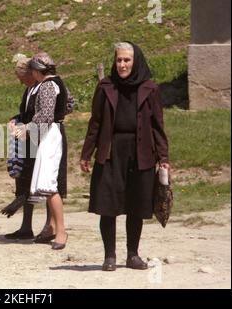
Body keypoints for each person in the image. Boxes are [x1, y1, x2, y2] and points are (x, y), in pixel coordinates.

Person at [80, 42, 170, 271]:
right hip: (111, 152)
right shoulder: (105, 87)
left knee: (135, 205)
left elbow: (157, 125)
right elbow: (96, 122)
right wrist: (87, 153)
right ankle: (109, 256)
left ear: (135, 61)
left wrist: (163, 156)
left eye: (127, 60)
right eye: (119, 60)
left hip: (141, 153)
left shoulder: (150, 88)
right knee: (107, 205)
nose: (122, 65)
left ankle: (132, 255)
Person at [14, 52, 70, 250]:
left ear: (38, 71)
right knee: (48, 184)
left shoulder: (47, 86)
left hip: (49, 134)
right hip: (53, 131)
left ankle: (60, 231)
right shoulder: (59, 82)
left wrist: (26, 128)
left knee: (48, 184)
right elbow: (67, 105)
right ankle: (53, 227)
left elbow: (45, 115)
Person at [2, 57, 53, 242]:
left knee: (46, 181)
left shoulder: (46, 87)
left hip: (43, 138)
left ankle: (50, 225)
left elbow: (61, 107)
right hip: (28, 139)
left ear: (30, 73)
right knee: (26, 180)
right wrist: (16, 119)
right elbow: (26, 114)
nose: (20, 81)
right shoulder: (29, 90)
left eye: (21, 77)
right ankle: (26, 226)